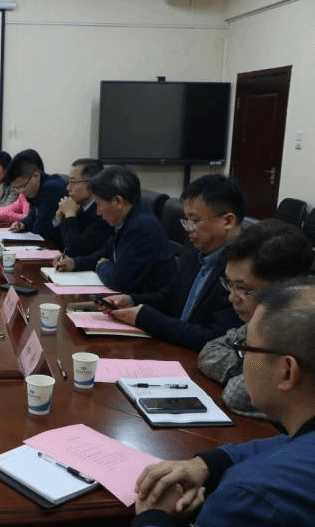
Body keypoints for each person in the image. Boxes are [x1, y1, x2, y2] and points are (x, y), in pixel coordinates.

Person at [130, 277, 315, 527]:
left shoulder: (251, 496)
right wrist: (207, 464)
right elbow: (285, 444)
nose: (243, 359)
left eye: (245, 349)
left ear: (287, 371)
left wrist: (153, 520)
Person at [105, 175, 245, 350]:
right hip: (173, 348)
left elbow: (215, 340)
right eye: (186, 220)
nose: (188, 229)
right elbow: (171, 297)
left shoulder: (244, 269)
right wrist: (132, 300)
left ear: (228, 221)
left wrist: (146, 318)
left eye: (195, 221)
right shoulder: (197, 249)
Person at [198, 219, 313, 419]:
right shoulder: (265, 320)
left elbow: (235, 394)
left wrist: (248, 360)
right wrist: (255, 361)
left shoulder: (302, 329)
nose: (232, 297)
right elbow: (210, 352)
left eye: (243, 289)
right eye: (230, 284)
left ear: (283, 290)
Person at [55, 166, 175, 295]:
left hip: (145, 302)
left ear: (118, 201)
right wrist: (75, 263)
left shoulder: (141, 227)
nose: (98, 212)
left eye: (99, 204)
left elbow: (119, 281)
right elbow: (105, 252)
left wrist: (101, 266)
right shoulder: (126, 218)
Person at [4, 149, 67, 245]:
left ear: (36, 175)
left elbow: (41, 229)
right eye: (17, 188)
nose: (21, 192)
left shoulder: (51, 188)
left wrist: (30, 225)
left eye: (22, 186)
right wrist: (23, 224)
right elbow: (33, 216)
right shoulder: (37, 189)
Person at [51, 158, 112, 257]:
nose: (68, 188)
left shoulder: (102, 212)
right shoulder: (79, 206)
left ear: (91, 184)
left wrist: (70, 215)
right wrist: (59, 219)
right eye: (68, 182)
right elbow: (59, 246)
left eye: (72, 182)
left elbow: (76, 250)